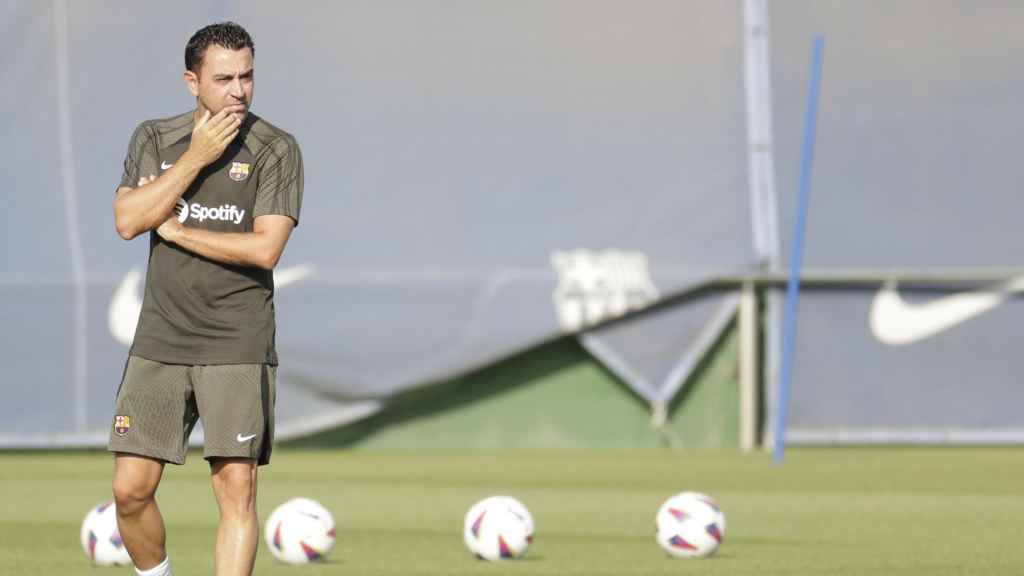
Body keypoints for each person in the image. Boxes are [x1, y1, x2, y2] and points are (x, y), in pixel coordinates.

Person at [108, 21, 302, 576]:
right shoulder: (154, 138)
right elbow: (127, 220)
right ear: (192, 81)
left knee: (235, 490)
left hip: (236, 341)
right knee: (130, 491)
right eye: (224, 79)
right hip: (160, 339)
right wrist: (195, 157)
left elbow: (266, 249)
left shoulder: (276, 148)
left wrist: (178, 232)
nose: (238, 90)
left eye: (247, 76)